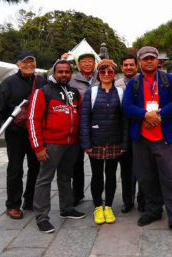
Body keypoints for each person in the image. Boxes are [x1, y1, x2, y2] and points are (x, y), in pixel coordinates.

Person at [123, 46, 172, 239]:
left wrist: (159, 115)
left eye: (153, 58)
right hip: (142, 139)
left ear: (158, 61)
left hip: (165, 138)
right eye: (145, 59)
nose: (149, 61)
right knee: (146, 177)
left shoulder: (169, 80)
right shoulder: (134, 83)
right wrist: (144, 115)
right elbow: (126, 106)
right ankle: (153, 210)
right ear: (140, 62)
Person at [27, 59, 85, 233]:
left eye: (67, 72)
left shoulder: (75, 93)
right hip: (51, 144)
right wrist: (38, 147)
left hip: (71, 144)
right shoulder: (42, 92)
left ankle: (66, 209)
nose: (64, 75)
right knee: (44, 179)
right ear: (53, 73)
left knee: (65, 177)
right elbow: (32, 120)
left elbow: (80, 116)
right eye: (60, 72)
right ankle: (42, 217)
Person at [0, 51, 46, 219]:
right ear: (18, 64)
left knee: (36, 167)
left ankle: (30, 199)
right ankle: (13, 204)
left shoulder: (41, 81)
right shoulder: (8, 83)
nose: (29, 65)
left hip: (36, 132)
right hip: (15, 133)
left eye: (32, 62)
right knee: (15, 169)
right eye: (25, 62)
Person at [80, 59, 129, 225]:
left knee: (111, 175)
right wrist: (85, 143)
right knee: (96, 175)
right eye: (102, 72)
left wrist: (124, 143)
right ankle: (97, 206)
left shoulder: (120, 93)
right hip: (96, 141)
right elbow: (84, 118)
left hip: (115, 140)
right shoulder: (91, 93)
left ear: (115, 73)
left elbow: (125, 120)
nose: (106, 75)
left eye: (110, 71)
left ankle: (108, 205)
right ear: (98, 74)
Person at [66, 52, 100, 206]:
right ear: (78, 65)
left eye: (90, 61)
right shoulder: (71, 79)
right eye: (84, 62)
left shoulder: (101, 76)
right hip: (77, 125)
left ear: (95, 64)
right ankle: (77, 194)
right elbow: (51, 77)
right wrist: (62, 59)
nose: (87, 64)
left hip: (98, 126)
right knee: (76, 162)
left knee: (97, 164)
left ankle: (98, 195)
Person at [115, 54, 145, 213]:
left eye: (131, 65)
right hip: (122, 130)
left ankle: (143, 200)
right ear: (121, 67)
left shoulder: (144, 81)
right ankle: (128, 200)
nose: (128, 67)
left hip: (141, 128)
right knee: (126, 169)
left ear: (137, 65)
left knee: (143, 167)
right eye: (125, 65)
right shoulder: (116, 84)